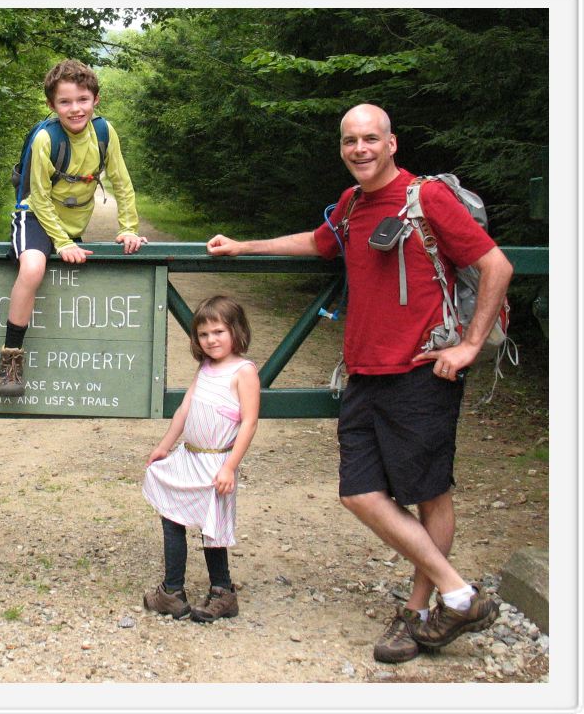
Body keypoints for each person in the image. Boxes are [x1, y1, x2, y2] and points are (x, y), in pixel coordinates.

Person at [207, 104, 513, 663]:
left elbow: (496, 266)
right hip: (365, 376)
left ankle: (422, 613)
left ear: (392, 143)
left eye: (371, 139)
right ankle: (461, 594)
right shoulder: (351, 206)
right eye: (350, 141)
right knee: (358, 493)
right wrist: (243, 247)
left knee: (429, 493)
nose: (360, 149)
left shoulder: (428, 199)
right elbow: (315, 242)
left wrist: (469, 345)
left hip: (423, 372)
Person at [0, 58, 147, 397]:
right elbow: (38, 197)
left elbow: (122, 181)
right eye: (65, 102)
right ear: (52, 105)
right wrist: (62, 243)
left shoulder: (105, 133)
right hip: (34, 215)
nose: (75, 109)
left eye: (82, 100)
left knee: (69, 280)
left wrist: (129, 227)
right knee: (34, 268)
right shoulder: (45, 139)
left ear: (96, 100)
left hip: (69, 224)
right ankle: (10, 358)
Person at [141, 295, 260, 623]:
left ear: (236, 330)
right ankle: (172, 591)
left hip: (217, 463)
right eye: (204, 335)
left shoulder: (243, 372)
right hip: (189, 457)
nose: (211, 340)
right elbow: (185, 409)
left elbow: (249, 421)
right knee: (171, 513)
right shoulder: (205, 367)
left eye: (219, 331)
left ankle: (223, 592)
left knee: (213, 528)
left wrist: (230, 467)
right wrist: (165, 445)